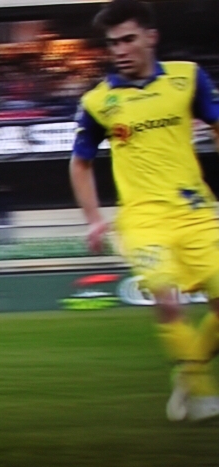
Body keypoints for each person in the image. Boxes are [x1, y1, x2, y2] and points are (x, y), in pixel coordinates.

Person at [70, 0, 219, 422]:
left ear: (151, 37)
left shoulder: (188, 78)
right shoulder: (98, 101)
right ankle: (203, 395)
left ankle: (187, 372)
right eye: (112, 43)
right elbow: (80, 163)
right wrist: (94, 219)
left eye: (128, 39)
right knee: (167, 300)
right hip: (141, 219)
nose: (119, 49)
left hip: (196, 211)